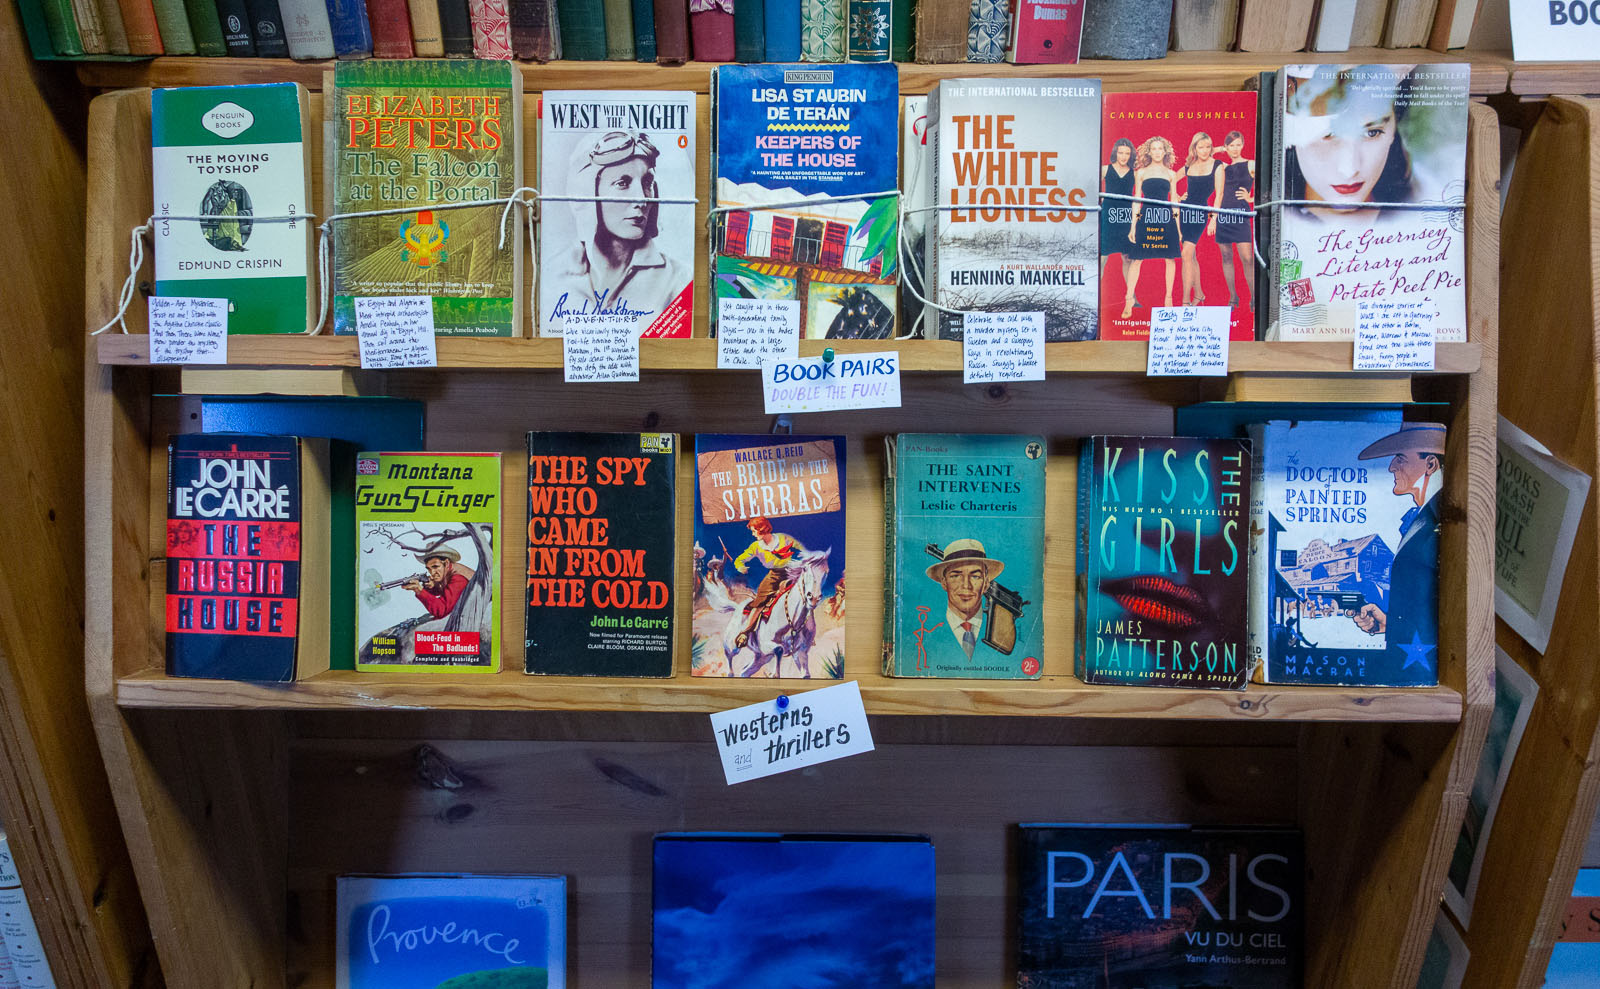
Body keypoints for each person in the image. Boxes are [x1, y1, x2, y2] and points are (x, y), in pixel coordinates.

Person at [546, 130, 689, 334]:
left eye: (647, 183)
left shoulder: (679, 281)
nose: (641, 199)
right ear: (587, 194)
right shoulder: (552, 275)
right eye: (622, 183)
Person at [1349, 424, 1445, 665]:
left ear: (1430, 464)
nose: (1392, 466)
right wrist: (1390, 623)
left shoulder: (1440, 516)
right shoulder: (1423, 516)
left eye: (1400, 458)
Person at [1282, 64, 1416, 225]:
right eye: (1328, 134)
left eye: (1371, 132)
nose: (1349, 170)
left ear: (1394, 128)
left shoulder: (1425, 197)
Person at [1122, 135, 1181, 319]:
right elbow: (1136, 201)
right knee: (1136, 260)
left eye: (1160, 149)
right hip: (1146, 217)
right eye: (1154, 149)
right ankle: (1128, 299)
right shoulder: (1141, 172)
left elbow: (1174, 202)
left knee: (1170, 259)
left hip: (1165, 218)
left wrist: (1178, 229)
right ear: (1149, 151)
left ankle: (1168, 298)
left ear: (1165, 152)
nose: (1157, 152)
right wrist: (1132, 227)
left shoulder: (1171, 174)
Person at [731, 516, 806, 649]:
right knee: (760, 602)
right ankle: (745, 632)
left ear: (762, 529)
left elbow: (802, 549)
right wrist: (740, 567)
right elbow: (740, 559)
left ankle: (806, 632)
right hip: (774, 576)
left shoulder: (783, 538)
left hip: (792, 571)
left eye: (754, 531)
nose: (753, 534)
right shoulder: (756, 547)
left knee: (806, 595)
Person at [925, 538, 1004, 660]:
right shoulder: (927, 627)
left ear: (986, 584)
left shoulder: (997, 630)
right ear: (944, 583)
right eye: (955, 576)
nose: (966, 585)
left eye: (975, 576)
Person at [1177, 131, 1224, 306]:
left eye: (1207, 147)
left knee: (1186, 254)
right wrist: (1177, 196)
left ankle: (1185, 302)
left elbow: (1219, 195)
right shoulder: (1189, 165)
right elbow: (1171, 178)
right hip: (1184, 211)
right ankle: (1199, 294)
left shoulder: (1217, 165)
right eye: (1200, 147)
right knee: (1191, 256)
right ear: (1194, 148)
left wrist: (1213, 219)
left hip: (1200, 212)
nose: (1204, 151)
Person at [1214, 130, 1256, 309]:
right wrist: (1220, 149)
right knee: (1226, 256)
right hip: (1223, 213)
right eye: (1231, 145)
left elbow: (1270, 185)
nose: (1235, 149)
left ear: (1243, 145)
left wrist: (1251, 199)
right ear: (1227, 147)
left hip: (1240, 213)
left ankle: (1254, 297)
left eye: (1238, 145)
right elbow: (1203, 154)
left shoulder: (1251, 164)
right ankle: (1233, 297)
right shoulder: (1223, 167)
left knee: (1247, 258)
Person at [1100, 139, 1137, 300]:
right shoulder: (1105, 169)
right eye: (1121, 153)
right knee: (1102, 257)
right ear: (1115, 153)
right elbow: (1090, 188)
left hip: (1126, 218)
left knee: (1128, 258)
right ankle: (1096, 296)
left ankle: (1131, 297)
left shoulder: (1135, 173)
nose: (1123, 156)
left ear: (1131, 155)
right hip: (1108, 217)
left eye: (1127, 153)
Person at [403, 543, 474, 620]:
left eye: (435, 566)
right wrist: (432, 586)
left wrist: (419, 590)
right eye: (429, 568)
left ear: (446, 563)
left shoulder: (458, 579)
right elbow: (445, 591)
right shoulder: (449, 570)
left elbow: (441, 611)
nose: (432, 573)